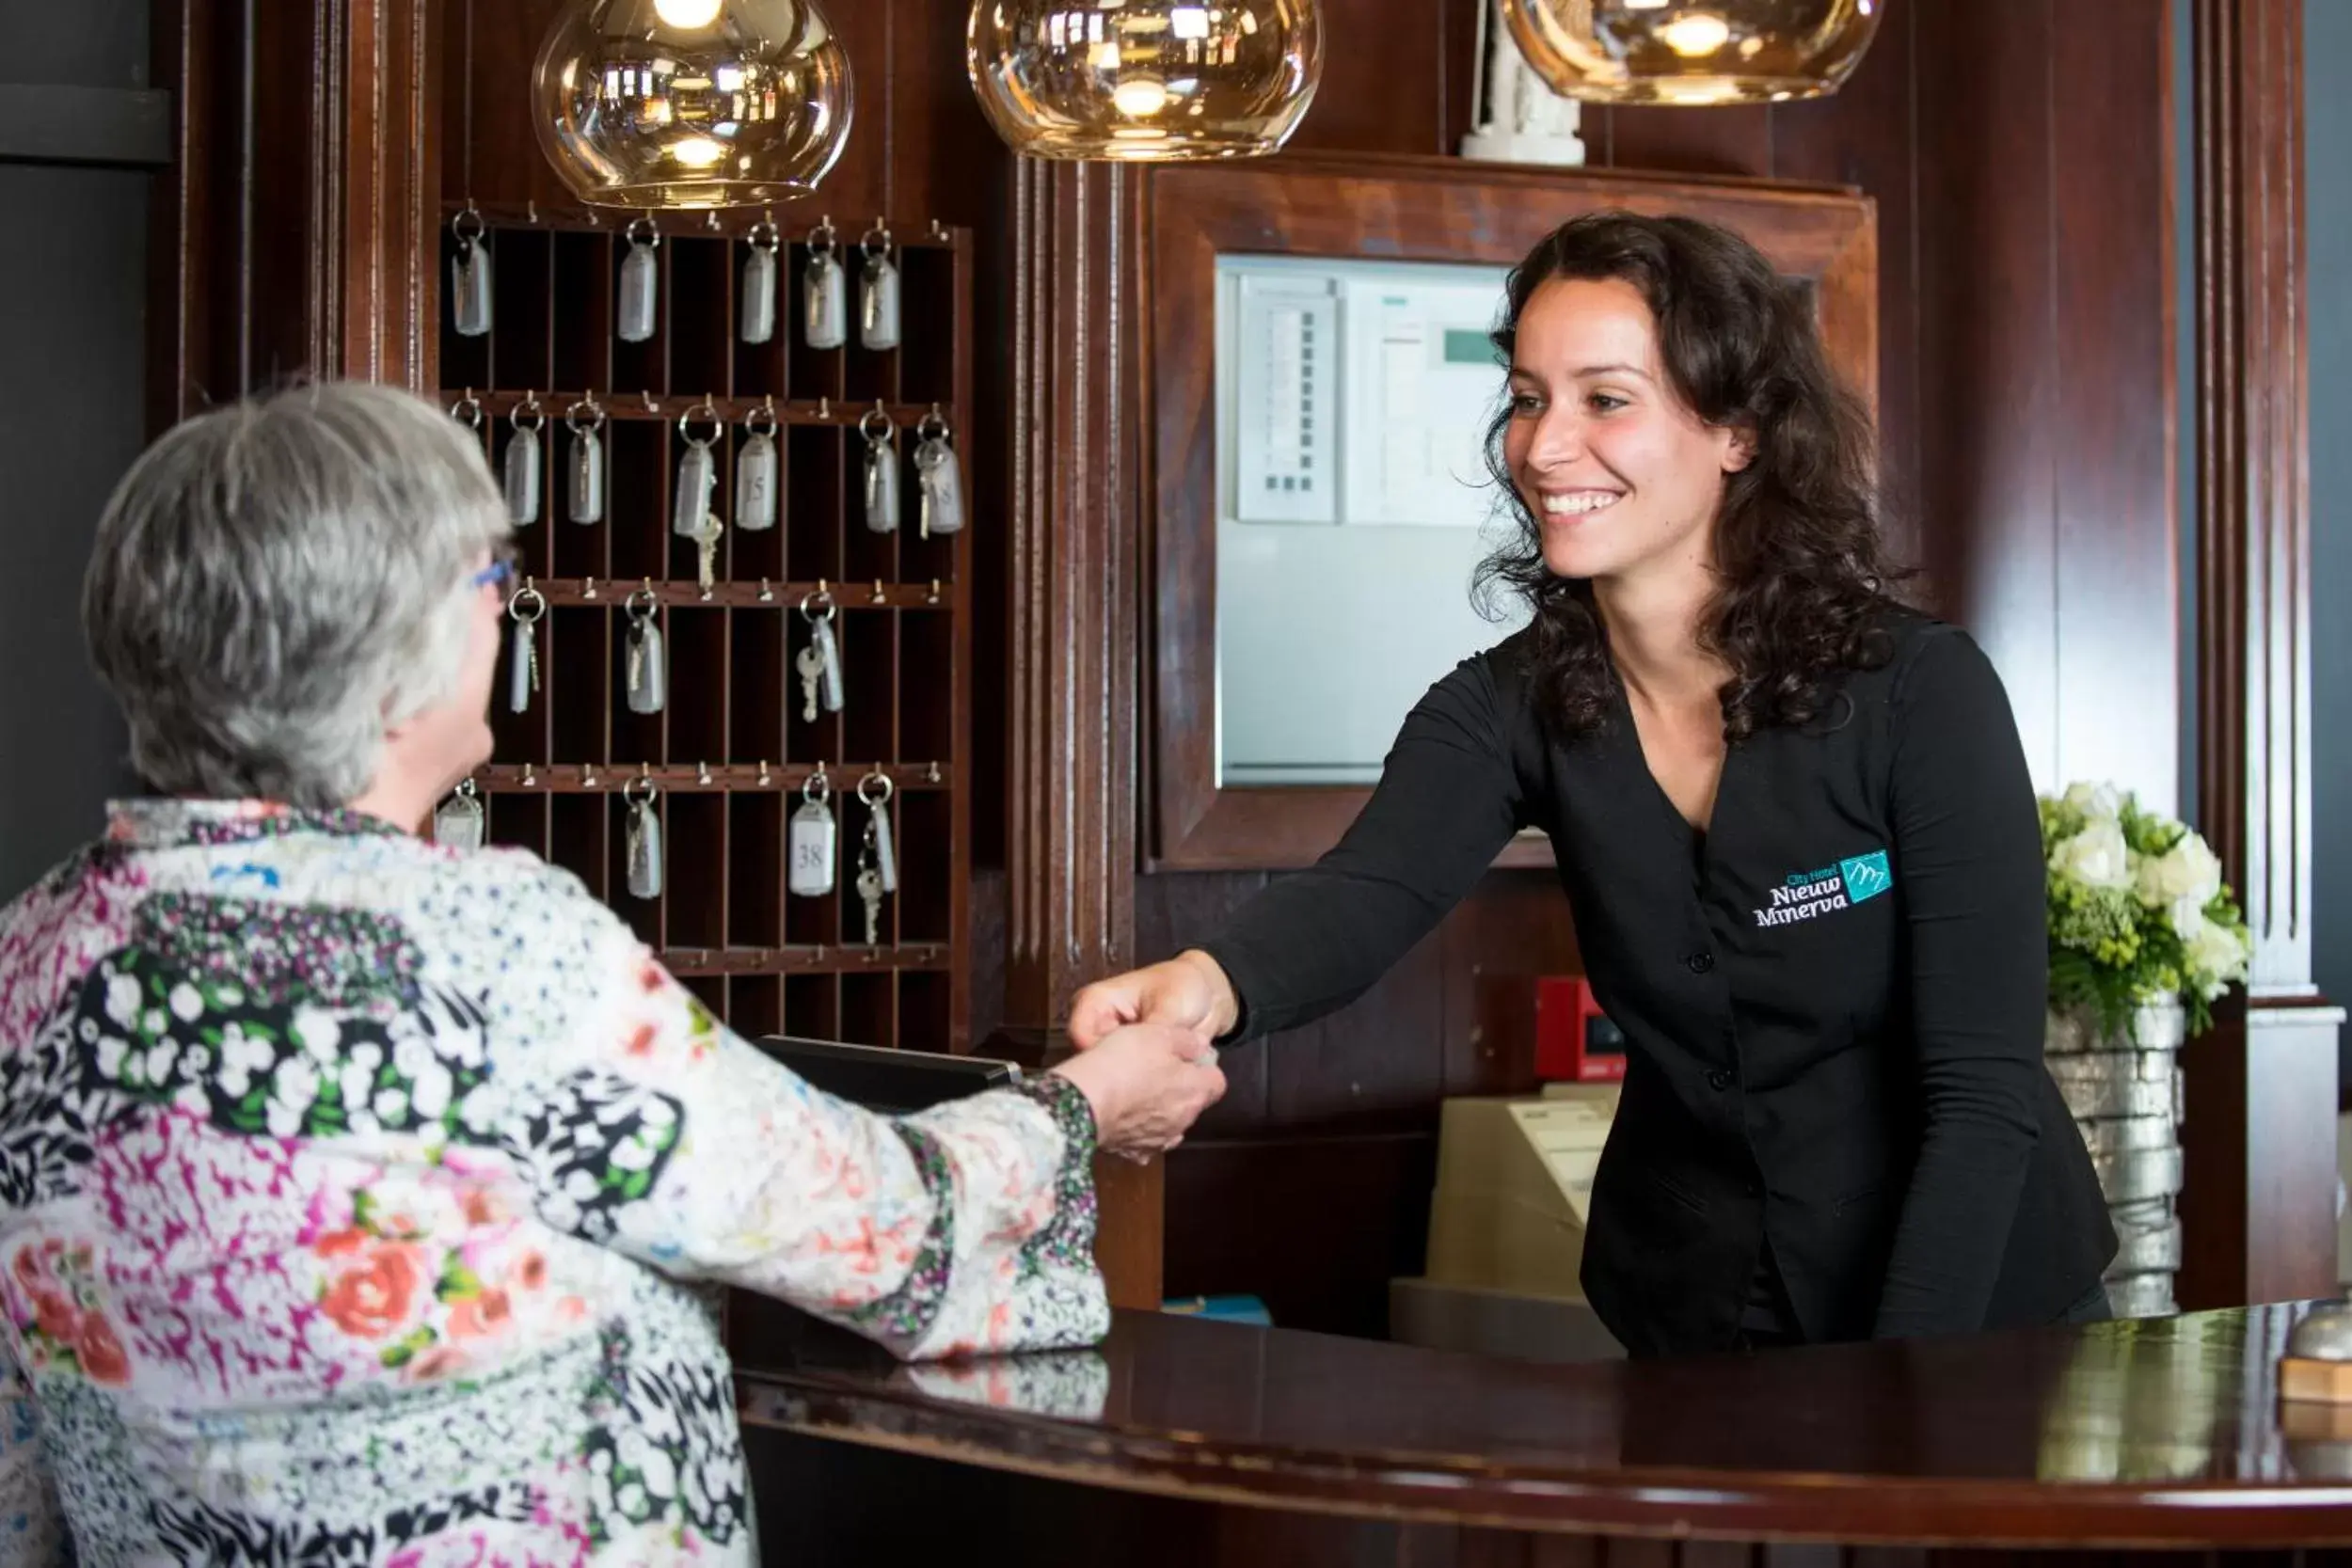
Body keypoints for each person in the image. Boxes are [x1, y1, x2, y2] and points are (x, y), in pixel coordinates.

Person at [0, 381, 1225, 1563]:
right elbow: (887, 1225)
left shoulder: (29, 952)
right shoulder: (481, 944)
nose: (506, 609)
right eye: (489, 577)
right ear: (386, 662)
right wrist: (1093, 1098)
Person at [1070, 211, 2117, 1360]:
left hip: (1973, 1316)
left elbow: (1979, 1095)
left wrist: (1900, 1398)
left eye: (1604, 400)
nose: (1545, 446)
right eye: (1527, 398)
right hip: (1700, 1317)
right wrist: (1204, 981)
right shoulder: (1504, 705)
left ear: (1737, 429)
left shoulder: (1919, 694)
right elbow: (1367, 890)